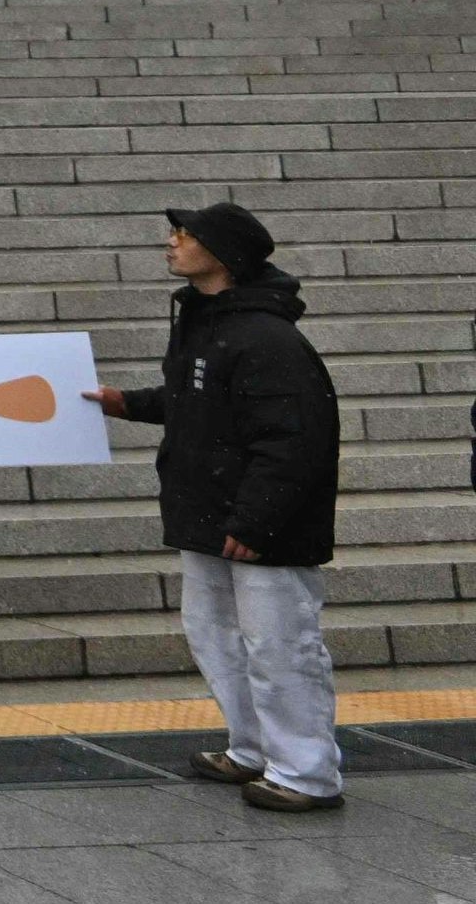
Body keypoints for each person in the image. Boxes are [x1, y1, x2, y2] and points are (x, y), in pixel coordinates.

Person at [90, 202, 345, 812]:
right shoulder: (208, 322)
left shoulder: (266, 337)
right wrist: (126, 402)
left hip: (259, 526)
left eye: (186, 235)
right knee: (217, 637)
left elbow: (293, 439)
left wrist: (256, 522)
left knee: (281, 645)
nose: (172, 243)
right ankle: (252, 749)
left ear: (224, 256)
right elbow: (196, 401)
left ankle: (307, 773)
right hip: (208, 516)